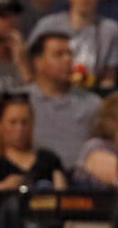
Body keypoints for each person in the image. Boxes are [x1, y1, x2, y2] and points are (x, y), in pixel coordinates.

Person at [28, 0, 118, 91]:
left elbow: (109, 79)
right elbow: (31, 63)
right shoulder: (47, 25)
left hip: (90, 97)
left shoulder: (111, 30)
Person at [26, 31, 103, 171]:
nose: (67, 60)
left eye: (70, 54)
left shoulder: (92, 104)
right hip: (34, 177)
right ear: (38, 63)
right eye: (58, 54)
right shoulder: (21, 101)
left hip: (82, 181)